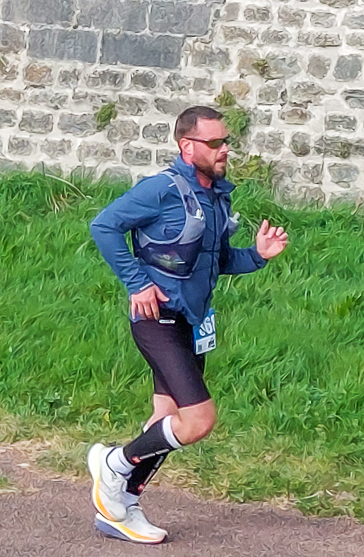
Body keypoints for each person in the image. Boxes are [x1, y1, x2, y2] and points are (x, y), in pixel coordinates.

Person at [87, 106, 289, 543]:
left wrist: (257, 256)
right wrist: (137, 283)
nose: (224, 149)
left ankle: (121, 505)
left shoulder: (216, 197)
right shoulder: (160, 189)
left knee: (166, 420)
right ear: (187, 146)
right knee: (198, 420)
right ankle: (113, 465)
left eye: (226, 141)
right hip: (156, 320)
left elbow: (215, 261)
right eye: (214, 143)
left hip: (193, 321)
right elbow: (104, 226)